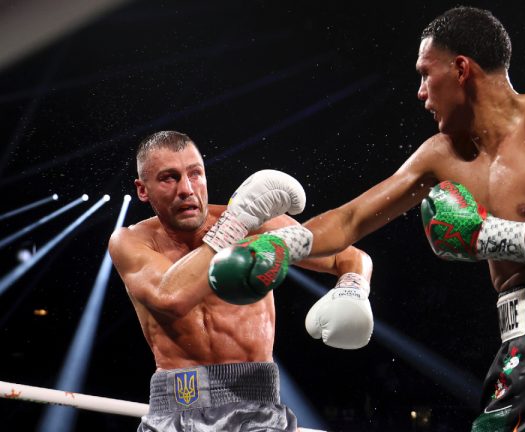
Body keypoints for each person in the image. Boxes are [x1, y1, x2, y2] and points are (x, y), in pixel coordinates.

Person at [242, 6, 525, 431]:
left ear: (461, 69)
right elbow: (353, 218)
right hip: (520, 341)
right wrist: (283, 245)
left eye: (425, 73)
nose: (420, 92)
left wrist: (490, 236)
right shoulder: (440, 154)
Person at [108, 130, 374, 432]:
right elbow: (170, 297)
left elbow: (349, 256)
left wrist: (353, 288)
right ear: (143, 190)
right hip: (175, 407)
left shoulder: (254, 224)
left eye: (195, 174)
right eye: (169, 178)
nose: (186, 189)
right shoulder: (130, 241)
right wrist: (236, 224)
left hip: (257, 410)